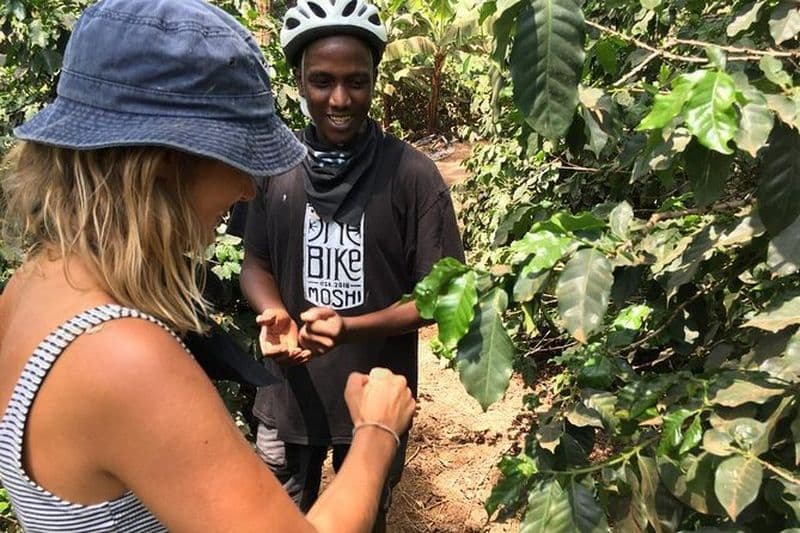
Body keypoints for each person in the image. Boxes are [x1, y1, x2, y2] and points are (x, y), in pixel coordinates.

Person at [0, 0, 415, 531]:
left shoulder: (30, 283)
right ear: (167, 166)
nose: (246, 188)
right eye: (236, 158)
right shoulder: (124, 358)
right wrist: (377, 433)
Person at [236, 0, 465, 528]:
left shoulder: (412, 176)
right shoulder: (276, 170)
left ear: (374, 80)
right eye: (322, 80)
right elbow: (255, 260)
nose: (339, 98)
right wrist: (275, 313)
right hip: (287, 399)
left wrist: (350, 329)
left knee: (362, 517)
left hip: (375, 398)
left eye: (356, 82)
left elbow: (442, 296)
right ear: (298, 80)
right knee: (276, 518)